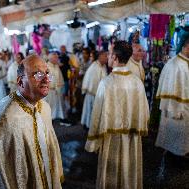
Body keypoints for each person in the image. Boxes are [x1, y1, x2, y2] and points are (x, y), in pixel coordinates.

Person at [0, 54, 64, 188]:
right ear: (20, 82)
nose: (46, 80)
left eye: (47, 73)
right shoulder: (3, 120)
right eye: (37, 75)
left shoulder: (44, 108)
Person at [85, 41, 149, 189]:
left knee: (111, 175)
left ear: (114, 57)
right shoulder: (137, 82)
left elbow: (97, 116)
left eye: (109, 53)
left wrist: (94, 142)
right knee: (129, 171)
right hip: (132, 137)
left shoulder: (106, 83)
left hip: (110, 138)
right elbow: (145, 113)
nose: (107, 56)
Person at [155, 34, 189, 156]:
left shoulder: (179, 62)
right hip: (177, 107)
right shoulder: (178, 64)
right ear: (187, 47)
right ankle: (176, 157)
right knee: (178, 134)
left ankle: (176, 154)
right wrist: (176, 108)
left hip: (177, 106)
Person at [81, 51, 108, 129]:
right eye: (105, 56)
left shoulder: (103, 66)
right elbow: (93, 82)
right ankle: (89, 127)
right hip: (92, 94)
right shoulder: (94, 67)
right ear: (99, 57)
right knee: (90, 112)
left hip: (99, 95)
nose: (107, 58)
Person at [45, 52, 65, 120]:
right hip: (49, 90)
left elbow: (59, 76)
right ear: (51, 59)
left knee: (56, 104)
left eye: (57, 58)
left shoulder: (56, 66)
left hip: (56, 89)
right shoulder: (46, 67)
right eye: (56, 58)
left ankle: (55, 116)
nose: (57, 59)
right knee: (49, 105)